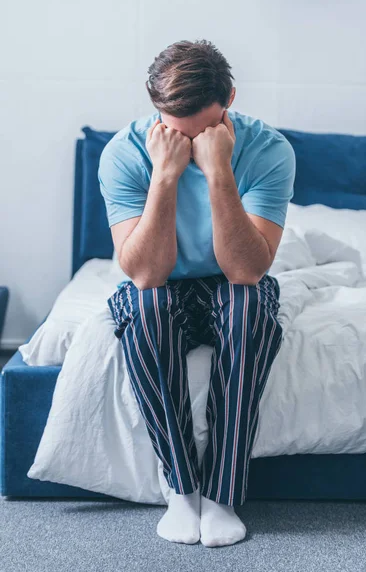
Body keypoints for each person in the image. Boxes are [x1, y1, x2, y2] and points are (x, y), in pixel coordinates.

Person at [98, 39, 296, 547]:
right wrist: (164, 176)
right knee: (145, 306)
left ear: (229, 96)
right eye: (176, 130)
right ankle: (181, 490)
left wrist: (218, 171)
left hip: (232, 281)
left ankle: (222, 495)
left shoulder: (269, 149)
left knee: (249, 308)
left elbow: (246, 271)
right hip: (162, 284)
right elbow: (145, 274)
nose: (188, 143)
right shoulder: (124, 153)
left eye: (203, 130)